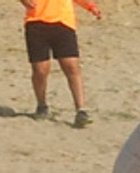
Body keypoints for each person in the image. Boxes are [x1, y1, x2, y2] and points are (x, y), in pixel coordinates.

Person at [19, 0, 101, 128]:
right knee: (40, 70)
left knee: (72, 66)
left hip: (63, 22)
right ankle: (42, 105)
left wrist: (91, 6)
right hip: (36, 21)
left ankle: (81, 110)